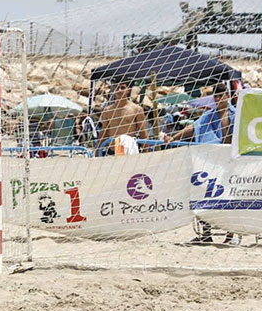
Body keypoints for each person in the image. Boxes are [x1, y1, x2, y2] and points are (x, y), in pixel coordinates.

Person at [164, 82, 236, 244]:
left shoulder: (235, 114)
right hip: (209, 161)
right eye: (215, 96)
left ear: (228, 97)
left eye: (221, 96)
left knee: (228, 198)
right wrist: (173, 137)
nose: (218, 99)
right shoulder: (210, 115)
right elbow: (193, 127)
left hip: (229, 162)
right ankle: (206, 234)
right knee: (203, 196)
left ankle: (230, 235)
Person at [99, 83, 147, 155]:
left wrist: (146, 153)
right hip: (112, 151)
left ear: (128, 90)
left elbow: (143, 133)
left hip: (128, 150)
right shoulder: (108, 111)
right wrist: (97, 154)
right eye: (117, 88)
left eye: (122, 88)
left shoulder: (136, 109)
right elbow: (104, 134)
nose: (119, 90)